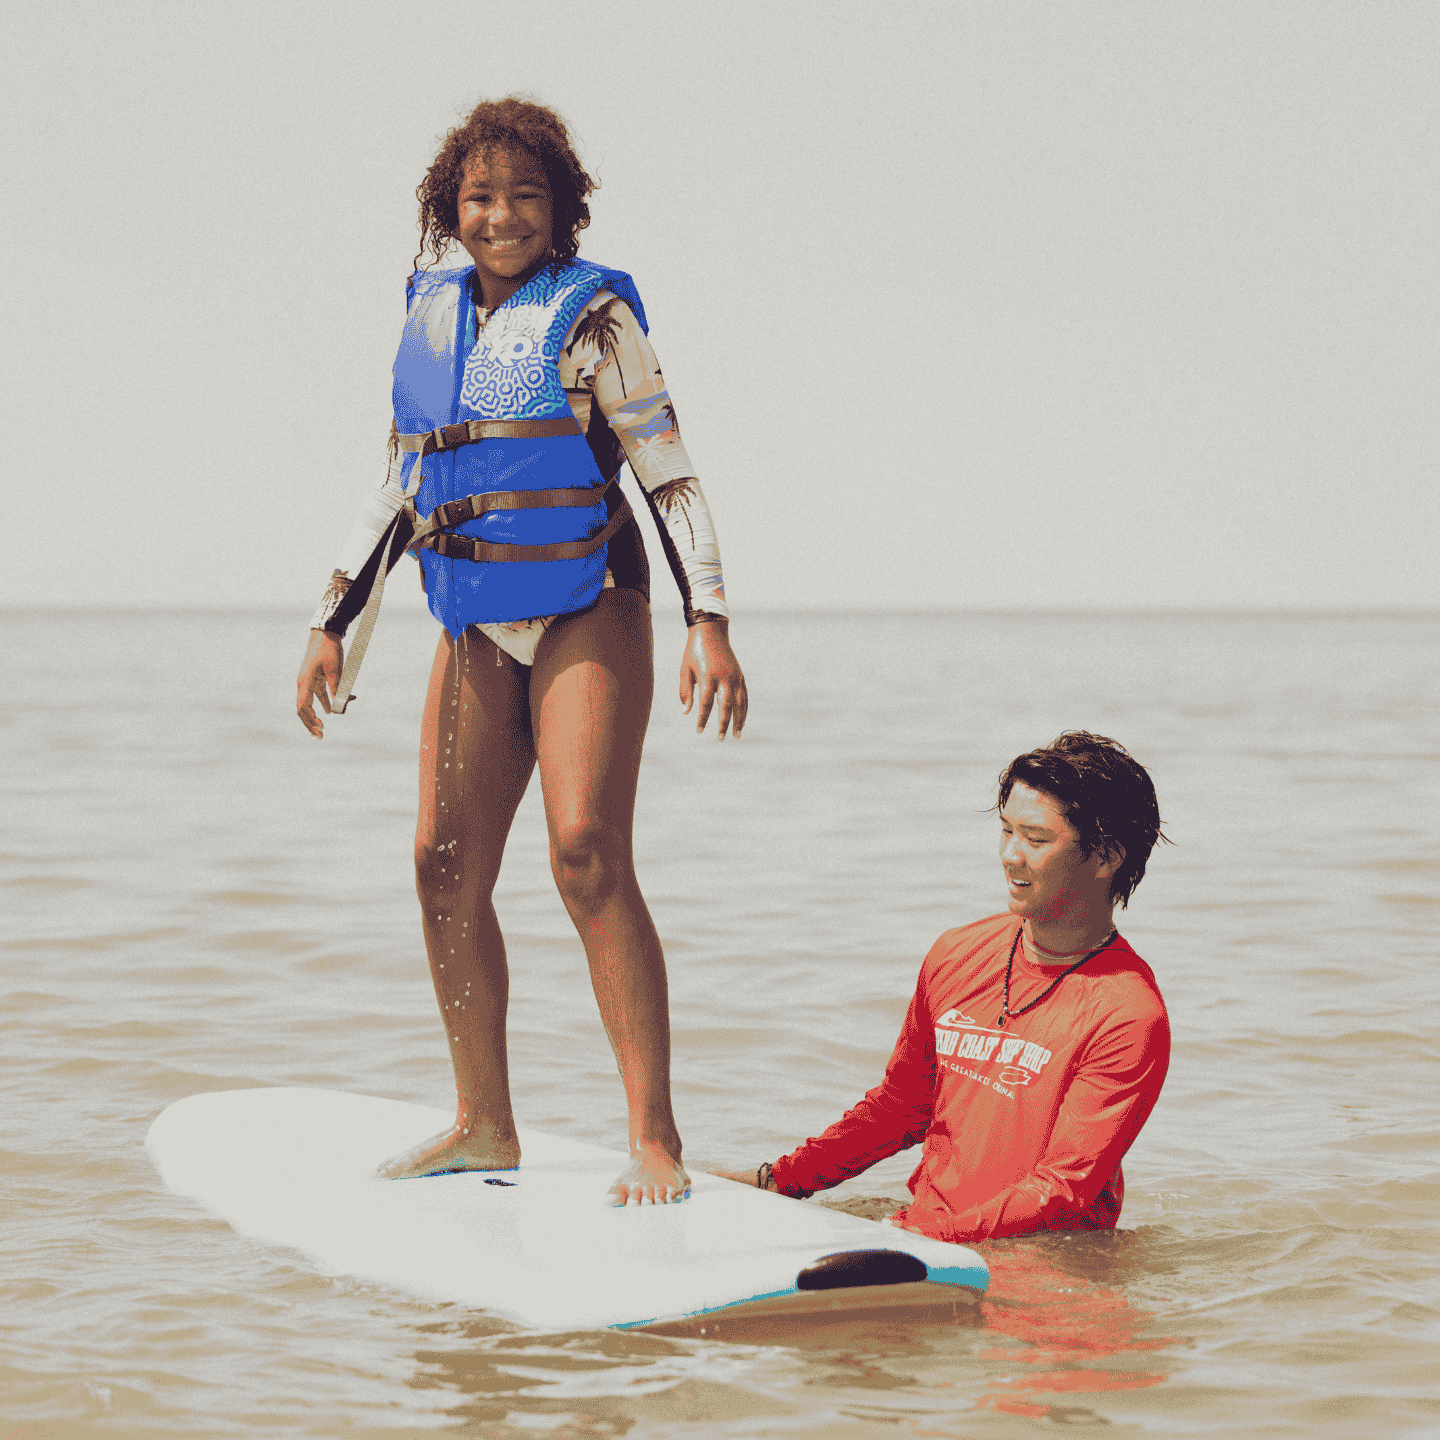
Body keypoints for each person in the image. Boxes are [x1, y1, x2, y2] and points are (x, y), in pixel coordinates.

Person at [295, 97, 747, 1206]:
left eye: (525, 196)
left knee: (586, 849)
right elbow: (405, 477)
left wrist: (712, 621)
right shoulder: (428, 317)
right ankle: (483, 1123)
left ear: (563, 210)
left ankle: (653, 1139)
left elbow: (668, 470)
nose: (501, 216)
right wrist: (331, 618)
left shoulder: (593, 318)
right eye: (481, 197)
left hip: (590, 598)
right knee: (440, 862)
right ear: (450, 208)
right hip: (473, 615)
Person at [721, 732, 1170, 1242]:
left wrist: (923, 1238)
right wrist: (779, 1181)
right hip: (926, 1237)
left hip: (1037, 1265)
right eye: (1006, 831)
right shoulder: (957, 954)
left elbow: (1062, 1190)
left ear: (1106, 857)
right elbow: (901, 1107)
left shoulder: (1128, 1013)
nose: (1009, 855)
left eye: (1036, 839)